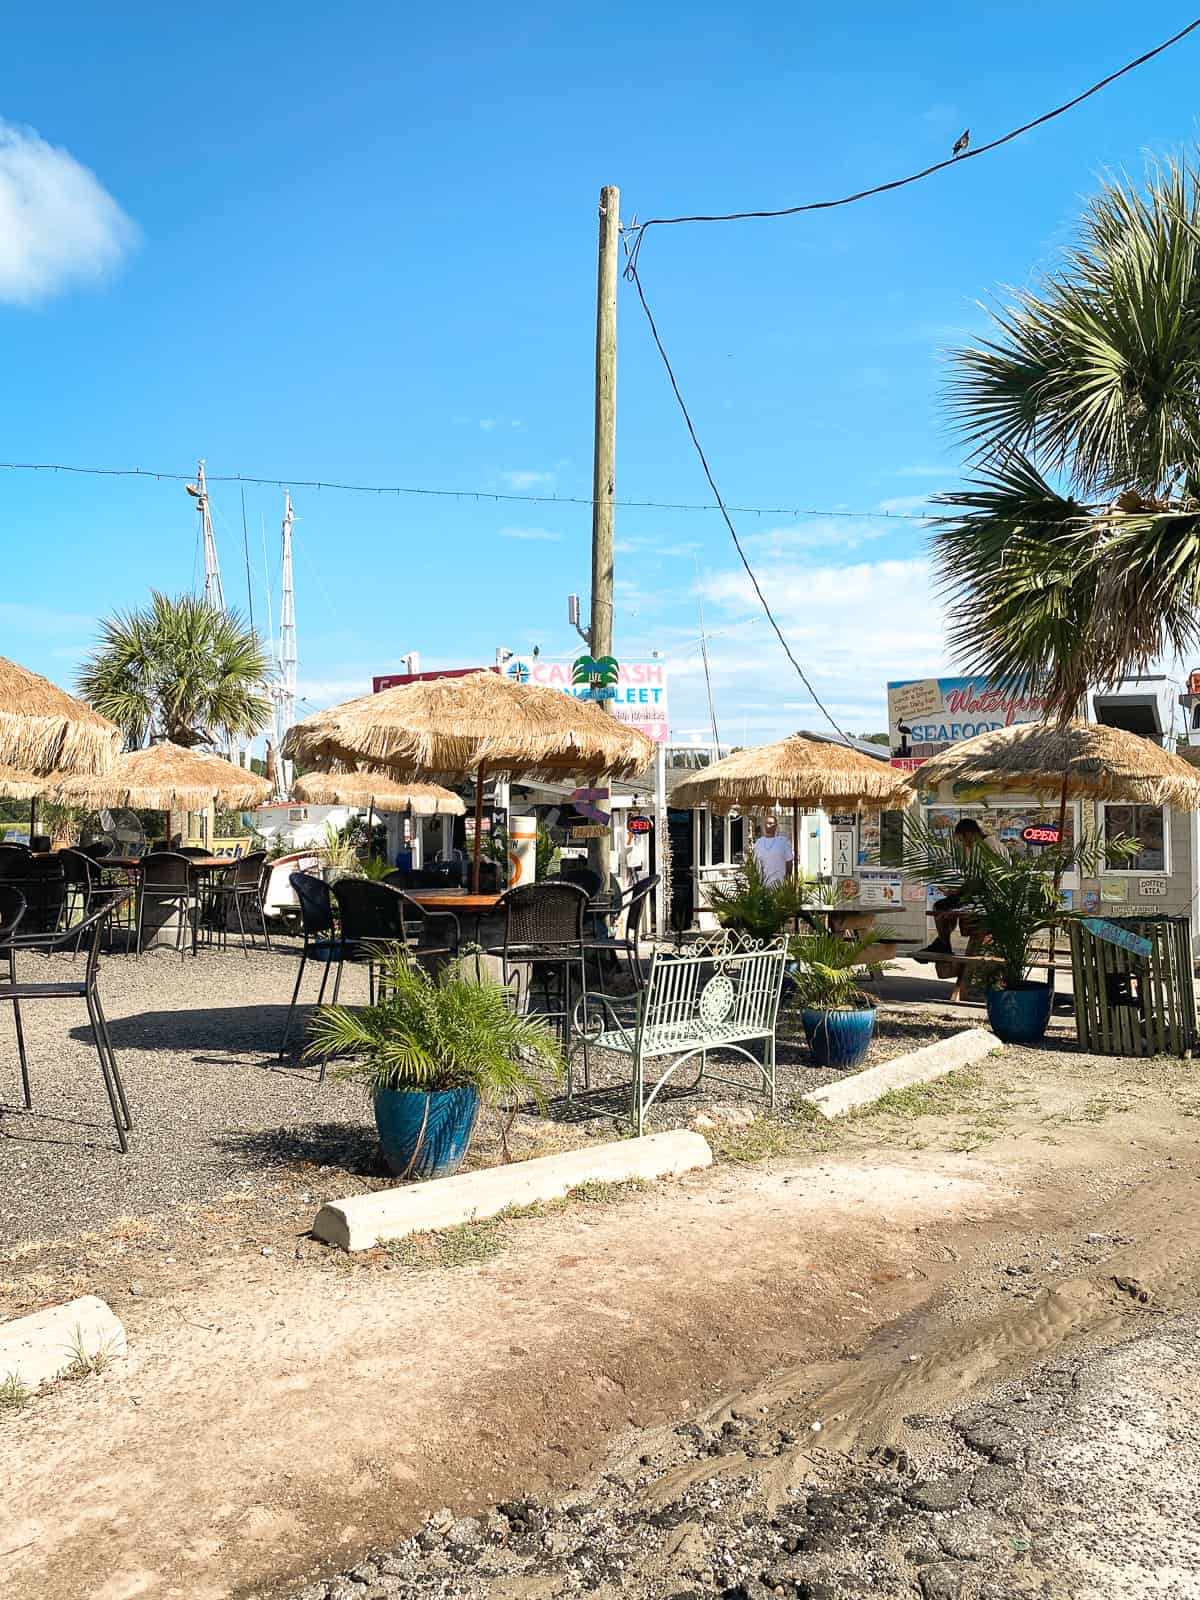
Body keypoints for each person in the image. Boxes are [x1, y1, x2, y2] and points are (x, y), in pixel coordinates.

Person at [921, 817, 986, 955]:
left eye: (962, 840)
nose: (963, 844)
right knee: (947, 908)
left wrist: (957, 892)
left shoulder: (982, 848)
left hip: (984, 899)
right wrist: (957, 891)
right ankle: (941, 944)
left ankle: (943, 945)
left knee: (940, 907)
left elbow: (977, 883)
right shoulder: (991, 844)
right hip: (982, 895)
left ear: (968, 834)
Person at [752, 813, 793, 886]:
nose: (768, 825)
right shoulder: (759, 842)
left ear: (776, 826)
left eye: (770, 823)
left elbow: (789, 861)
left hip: (779, 884)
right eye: (766, 823)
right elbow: (754, 863)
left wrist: (787, 879)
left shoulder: (783, 841)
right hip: (762, 885)